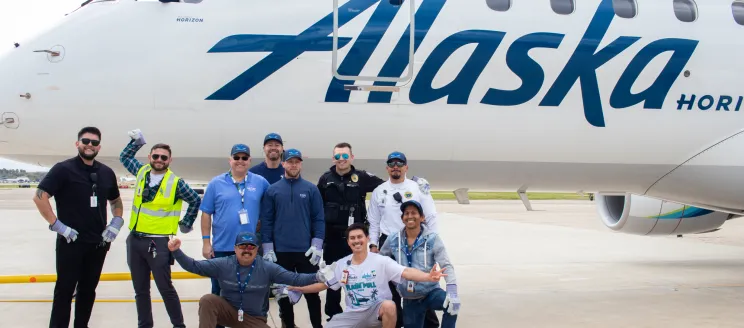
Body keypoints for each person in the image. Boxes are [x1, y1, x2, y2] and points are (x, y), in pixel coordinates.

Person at [33, 126, 123, 328]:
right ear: (77, 144)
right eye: (85, 141)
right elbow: (40, 197)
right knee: (64, 290)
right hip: (70, 242)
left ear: (99, 146)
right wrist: (57, 225)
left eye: (94, 143)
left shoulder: (106, 173)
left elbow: (116, 201)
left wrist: (117, 222)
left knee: (88, 290)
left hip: (98, 243)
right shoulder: (63, 169)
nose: (89, 145)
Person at [286, 223, 448, 328]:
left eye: (359, 237)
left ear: (367, 238)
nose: (356, 241)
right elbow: (323, 285)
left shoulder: (381, 261)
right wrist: (298, 288)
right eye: (352, 238)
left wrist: (428, 276)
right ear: (348, 242)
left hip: (375, 312)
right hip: (353, 314)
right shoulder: (342, 264)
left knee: (390, 306)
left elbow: (406, 272)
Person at [119, 129, 202, 328]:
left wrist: (186, 223)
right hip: (135, 240)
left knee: (165, 288)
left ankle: (178, 325)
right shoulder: (141, 172)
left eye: (163, 157)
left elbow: (194, 200)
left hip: (159, 243)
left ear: (169, 161)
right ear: (149, 157)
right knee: (140, 290)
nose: (158, 159)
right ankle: (144, 325)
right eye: (155, 156)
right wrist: (137, 142)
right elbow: (124, 157)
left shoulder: (176, 183)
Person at [167, 231, 335, 328]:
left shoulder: (267, 268)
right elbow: (195, 266)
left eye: (251, 247)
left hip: (254, 320)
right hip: (229, 313)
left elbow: (295, 278)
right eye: (242, 246)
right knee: (208, 300)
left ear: (257, 250)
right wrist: (176, 252)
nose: (246, 250)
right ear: (235, 249)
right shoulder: (223, 264)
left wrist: (317, 275)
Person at [200, 143, 270, 328]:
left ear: (249, 161)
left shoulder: (260, 182)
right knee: (218, 292)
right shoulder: (216, 183)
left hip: (250, 249)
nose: (240, 161)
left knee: (256, 292)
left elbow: (271, 207)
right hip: (223, 248)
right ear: (230, 160)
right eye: (236, 157)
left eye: (244, 158)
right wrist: (206, 243)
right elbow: (206, 213)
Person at [367, 151, 439, 327]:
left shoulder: (417, 188)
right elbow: (374, 222)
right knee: (391, 290)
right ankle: (397, 323)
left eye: (399, 164)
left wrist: (433, 244)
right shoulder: (379, 191)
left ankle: (429, 324)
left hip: (414, 241)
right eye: (392, 164)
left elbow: (430, 216)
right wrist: (374, 246)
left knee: (420, 285)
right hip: (388, 243)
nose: (395, 167)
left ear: (406, 167)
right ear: (387, 168)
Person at [316, 142, 385, 321]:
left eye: (345, 156)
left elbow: (386, 188)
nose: (341, 160)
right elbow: (316, 208)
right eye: (338, 156)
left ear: (351, 157)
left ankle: (361, 313)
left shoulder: (362, 177)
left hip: (356, 241)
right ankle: (333, 316)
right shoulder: (325, 179)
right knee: (333, 280)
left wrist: (410, 185)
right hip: (332, 239)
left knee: (360, 277)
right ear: (333, 158)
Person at [260, 148, 325, 328]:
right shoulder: (272, 191)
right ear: (283, 164)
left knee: (312, 294)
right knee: (283, 294)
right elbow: (267, 220)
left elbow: (318, 218)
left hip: (306, 252)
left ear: (301, 165)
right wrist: (268, 248)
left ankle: (317, 326)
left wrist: (317, 244)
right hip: (281, 252)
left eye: (297, 162)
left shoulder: (311, 189)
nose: (293, 165)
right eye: (290, 162)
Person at [380, 200, 460, 328]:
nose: (410, 216)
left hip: (431, 292)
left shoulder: (433, 238)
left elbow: (446, 265)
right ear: (402, 218)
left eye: (414, 213)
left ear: (422, 217)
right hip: (409, 298)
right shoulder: (393, 239)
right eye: (406, 213)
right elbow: (380, 262)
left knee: (452, 305)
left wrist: (453, 292)